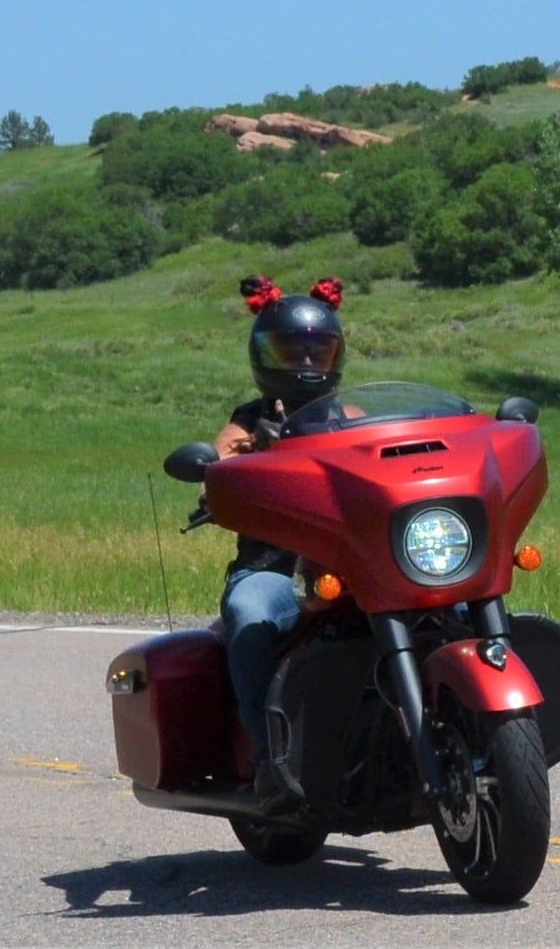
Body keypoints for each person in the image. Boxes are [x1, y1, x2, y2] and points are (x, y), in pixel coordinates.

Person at [212, 273, 345, 801]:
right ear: (266, 357)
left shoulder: (351, 418)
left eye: (318, 352)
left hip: (349, 564)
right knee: (249, 612)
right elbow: (220, 460)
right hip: (274, 569)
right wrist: (226, 468)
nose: (306, 363)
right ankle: (270, 759)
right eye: (292, 352)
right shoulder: (248, 422)